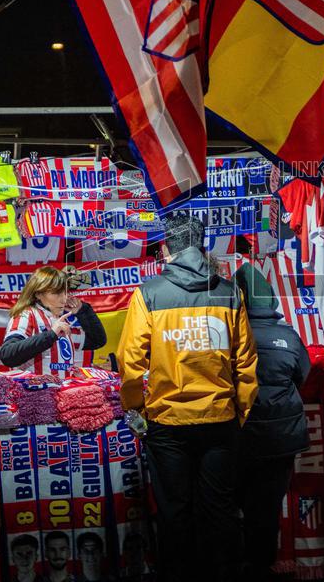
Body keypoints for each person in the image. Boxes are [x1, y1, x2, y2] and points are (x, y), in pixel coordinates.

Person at [117, 214, 258, 582]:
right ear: (201, 246)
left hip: (167, 423)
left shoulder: (148, 294)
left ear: (166, 249)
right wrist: (239, 412)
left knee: (174, 512)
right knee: (220, 510)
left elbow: (130, 364)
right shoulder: (229, 292)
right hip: (220, 419)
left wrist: (136, 410)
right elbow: (246, 363)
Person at [232, 262, 310, 581]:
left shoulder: (229, 335)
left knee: (233, 505)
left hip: (241, 436)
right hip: (282, 438)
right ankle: (262, 566)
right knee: (267, 508)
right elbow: (302, 375)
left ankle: (238, 566)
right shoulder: (288, 335)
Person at [1, 265, 107, 372]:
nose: (64, 299)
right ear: (38, 294)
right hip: (33, 383)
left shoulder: (59, 319)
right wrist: (51, 335)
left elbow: (96, 341)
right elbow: (7, 355)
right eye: (57, 293)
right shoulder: (27, 315)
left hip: (61, 383)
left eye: (65, 292)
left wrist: (83, 310)